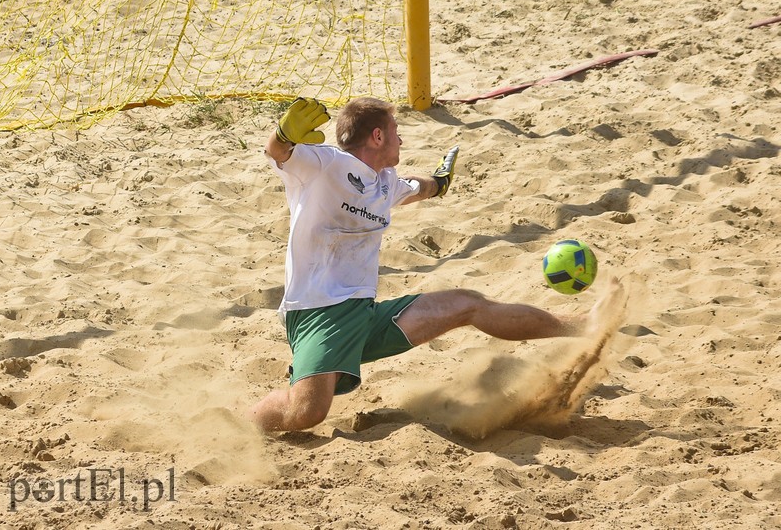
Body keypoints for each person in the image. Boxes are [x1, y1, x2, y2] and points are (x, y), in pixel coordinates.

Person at [249, 97, 623, 432]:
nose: (402, 140)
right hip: (320, 312)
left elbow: (417, 186)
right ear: (377, 137)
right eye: (397, 132)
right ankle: (244, 429)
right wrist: (282, 135)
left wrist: (440, 182)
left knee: (468, 304)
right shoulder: (326, 164)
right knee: (307, 414)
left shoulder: (384, 182)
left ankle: (583, 326)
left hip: (363, 312)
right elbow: (278, 152)